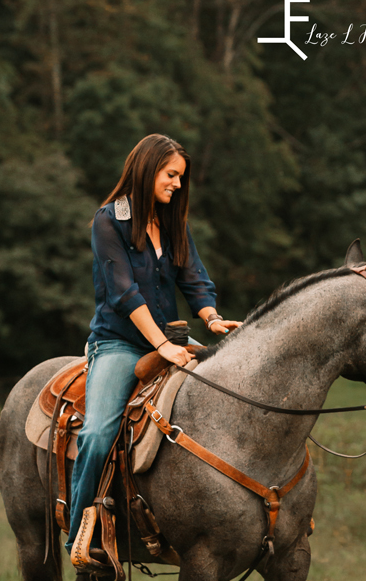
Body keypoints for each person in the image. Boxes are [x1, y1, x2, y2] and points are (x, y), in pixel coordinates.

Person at [66, 133, 240, 555]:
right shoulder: (108, 221)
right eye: (171, 175)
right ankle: (79, 535)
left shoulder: (171, 221)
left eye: (181, 177)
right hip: (119, 344)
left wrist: (212, 319)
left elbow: (194, 278)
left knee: (232, 395)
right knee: (97, 432)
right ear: (147, 170)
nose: (178, 185)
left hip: (172, 339)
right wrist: (161, 345)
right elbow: (125, 294)